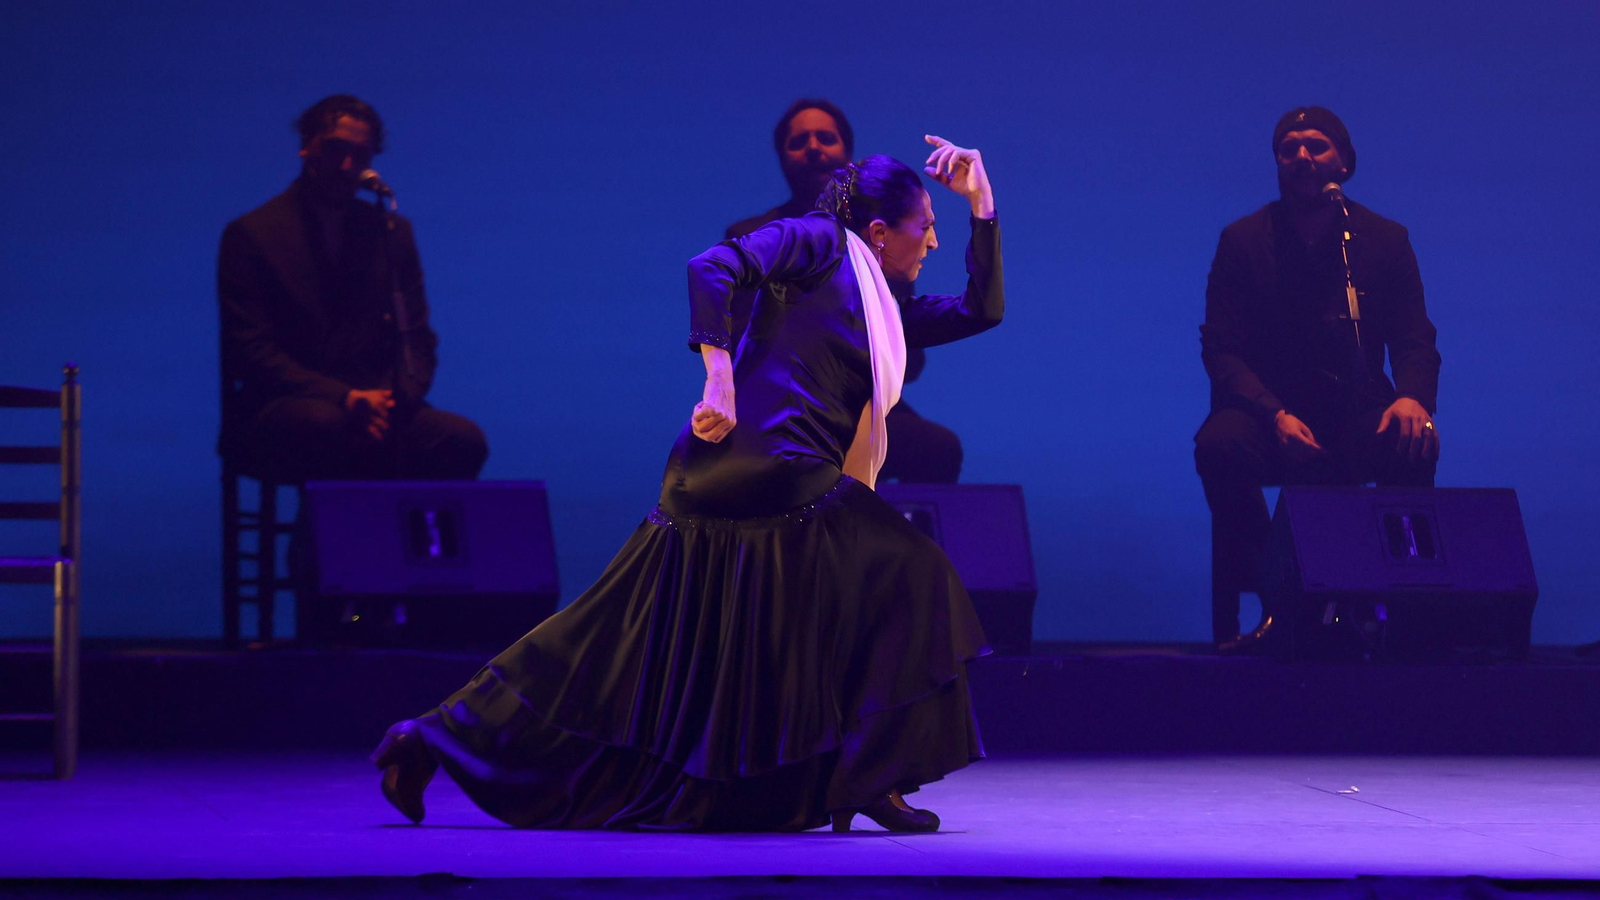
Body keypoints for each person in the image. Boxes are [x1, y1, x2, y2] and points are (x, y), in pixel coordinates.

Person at [371, 135, 1004, 832]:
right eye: (928, 227)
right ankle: (869, 778)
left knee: (612, 639)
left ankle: (425, 738)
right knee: (907, 573)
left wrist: (981, 204)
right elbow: (713, 266)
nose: (935, 242)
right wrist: (719, 374)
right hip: (762, 464)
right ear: (879, 232)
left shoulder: (886, 309)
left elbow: (981, 310)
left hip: (754, 480)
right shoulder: (818, 240)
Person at [1195, 107, 1441, 647]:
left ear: (1345, 163)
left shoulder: (1382, 238)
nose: (1302, 156)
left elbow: (1414, 336)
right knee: (1219, 445)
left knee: (1411, 438)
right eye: (1289, 148)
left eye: (1317, 145)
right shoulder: (1243, 240)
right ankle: (1282, 592)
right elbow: (1221, 348)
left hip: (1354, 408)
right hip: (1270, 413)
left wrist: (1413, 399)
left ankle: (1407, 619)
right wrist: (1274, 413)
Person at [218, 94, 487, 483]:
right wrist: (344, 398)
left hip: (376, 401)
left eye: (360, 155)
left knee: (460, 440)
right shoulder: (254, 234)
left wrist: (390, 401)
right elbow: (250, 349)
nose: (346, 166)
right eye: (334, 149)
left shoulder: (389, 232)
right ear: (306, 148)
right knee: (325, 426)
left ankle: (399, 543)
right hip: (285, 405)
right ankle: (330, 544)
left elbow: (416, 338)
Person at [727, 98, 964, 483]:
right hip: (784, 404)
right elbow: (739, 343)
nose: (814, 148)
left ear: (847, 152)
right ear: (782, 157)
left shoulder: (883, 232)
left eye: (826, 138)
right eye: (799, 141)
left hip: (866, 399)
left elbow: (911, 359)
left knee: (935, 448)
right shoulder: (751, 237)